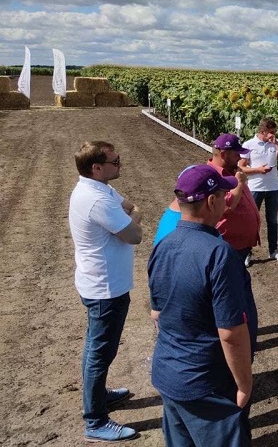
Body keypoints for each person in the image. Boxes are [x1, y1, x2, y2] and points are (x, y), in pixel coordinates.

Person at [148, 165, 257, 447]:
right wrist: (244, 383)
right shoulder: (219, 254)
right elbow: (231, 333)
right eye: (223, 194)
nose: (227, 199)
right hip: (207, 382)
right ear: (211, 201)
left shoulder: (164, 245)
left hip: (169, 373)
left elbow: (157, 312)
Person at [69, 141, 143, 442]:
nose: (119, 165)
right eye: (115, 161)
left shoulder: (100, 189)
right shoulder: (97, 200)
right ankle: (95, 421)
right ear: (96, 167)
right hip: (105, 289)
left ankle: (98, 396)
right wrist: (136, 217)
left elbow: (127, 208)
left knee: (97, 349)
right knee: (100, 353)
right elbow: (134, 233)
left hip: (101, 283)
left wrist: (130, 214)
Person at [240, 118, 278, 262]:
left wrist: (276, 145)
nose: (273, 135)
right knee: (251, 221)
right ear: (263, 132)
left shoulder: (275, 143)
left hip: (273, 188)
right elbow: (241, 167)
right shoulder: (249, 144)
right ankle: (247, 253)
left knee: (272, 221)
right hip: (255, 188)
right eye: (271, 132)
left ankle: (273, 251)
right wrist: (258, 170)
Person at [208, 133, 261, 267]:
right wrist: (239, 182)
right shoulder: (213, 176)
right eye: (236, 154)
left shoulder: (231, 171)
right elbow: (227, 206)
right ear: (224, 154)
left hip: (239, 244)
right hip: (229, 245)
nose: (240, 157)